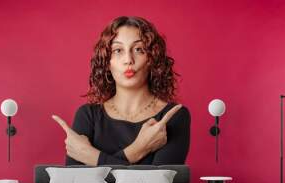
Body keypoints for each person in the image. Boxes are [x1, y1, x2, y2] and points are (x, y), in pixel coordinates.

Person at [52, 16, 190, 166]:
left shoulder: (172, 117)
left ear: (152, 58)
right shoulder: (87, 115)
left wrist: (93, 158)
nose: (128, 60)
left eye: (139, 49)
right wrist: (138, 149)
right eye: (118, 50)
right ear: (107, 62)